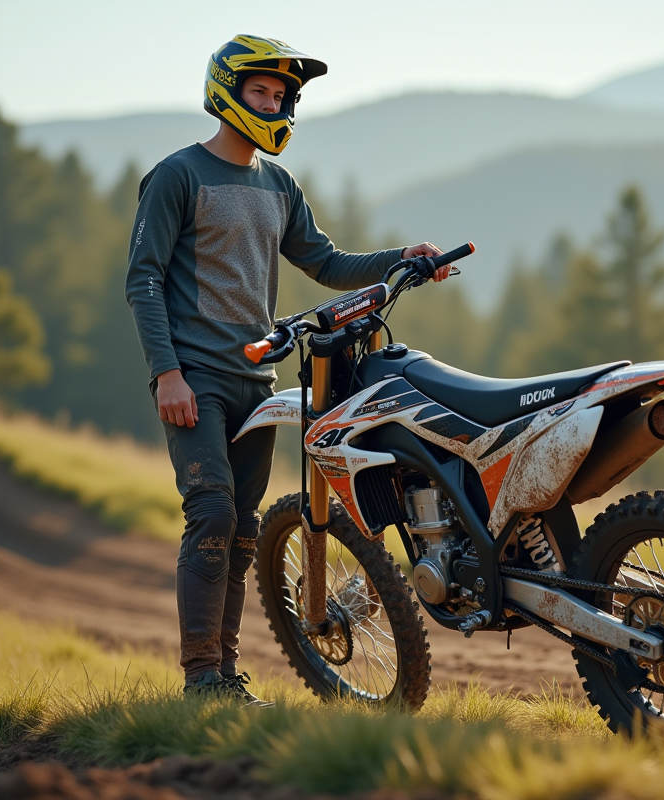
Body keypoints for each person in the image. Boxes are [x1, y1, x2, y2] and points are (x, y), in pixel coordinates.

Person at [125, 34, 451, 705]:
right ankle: (198, 680)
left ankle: (226, 678)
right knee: (211, 513)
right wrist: (167, 374)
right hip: (197, 378)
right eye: (261, 92)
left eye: (282, 96)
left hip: (256, 384)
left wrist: (402, 257)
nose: (273, 105)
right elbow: (144, 280)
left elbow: (325, 263)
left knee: (243, 530)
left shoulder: (278, 184)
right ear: (227, 92)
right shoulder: (177, 176)